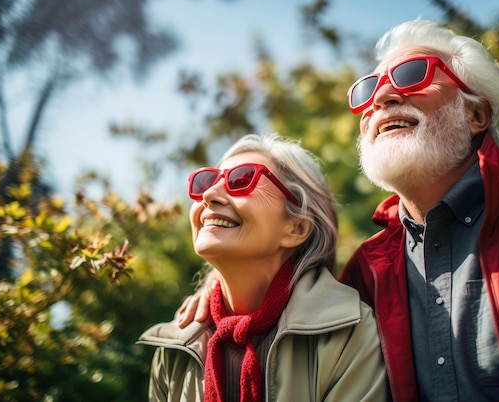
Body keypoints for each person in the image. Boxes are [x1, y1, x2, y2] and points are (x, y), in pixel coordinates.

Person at [177, 20, 499, 401]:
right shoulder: (367, 271)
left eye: (411, 74)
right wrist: (221, 284)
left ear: (475, 113)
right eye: (367, 89)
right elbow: (285, 305)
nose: (381, 95)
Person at [138, 133, 389, 401]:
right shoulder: (176, 344)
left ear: (297, 228)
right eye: (206, 181)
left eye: (242, 180)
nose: (210, 195)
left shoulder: (348, 334)